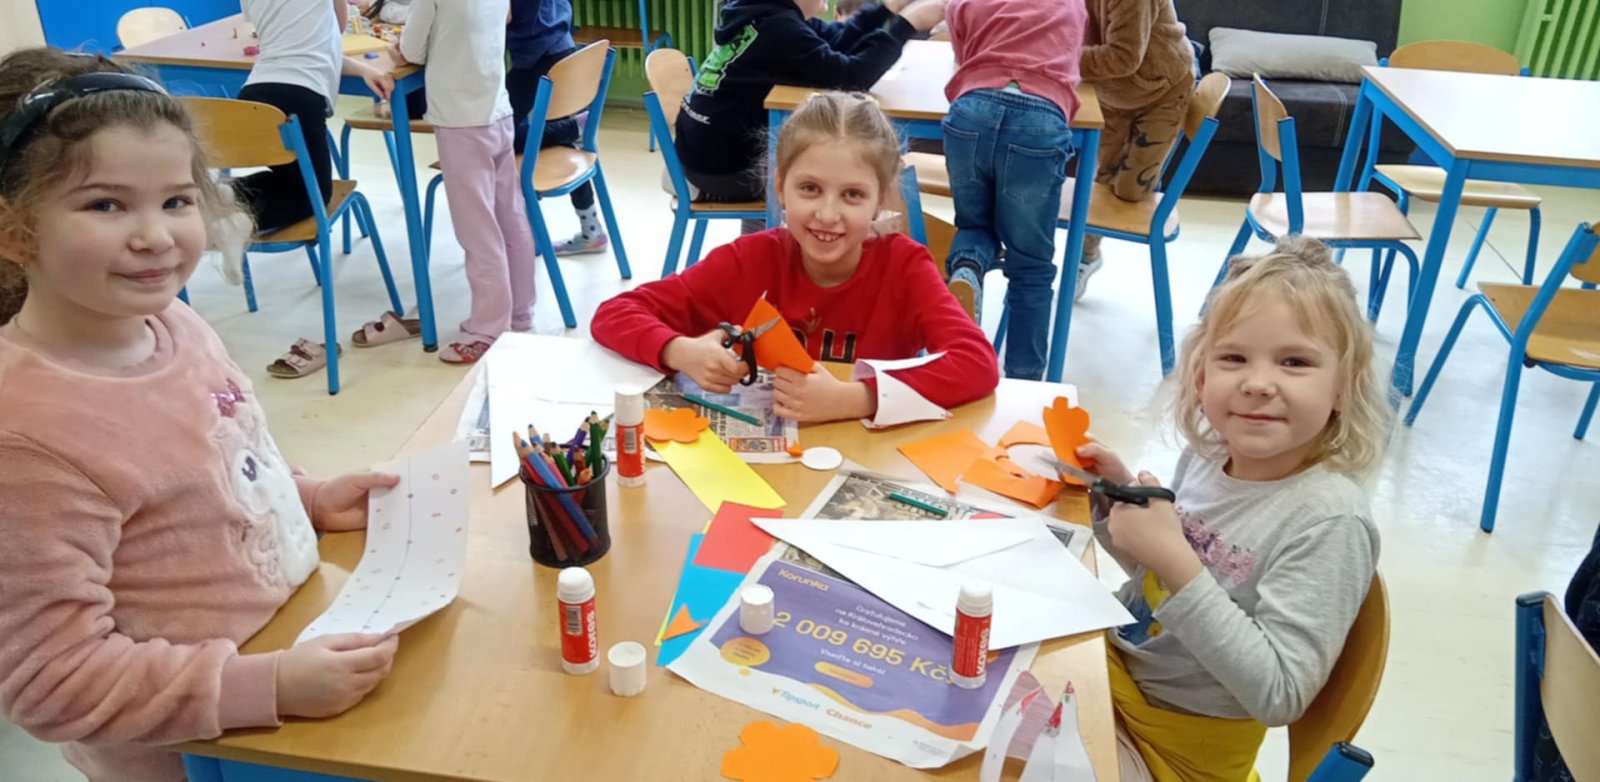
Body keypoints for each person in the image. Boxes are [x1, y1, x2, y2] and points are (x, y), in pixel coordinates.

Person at [0, 49, 400, 782]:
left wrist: (309, 499)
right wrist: (269, 686)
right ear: (14, 232)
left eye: (177, 201)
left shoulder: (172, 325)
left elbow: (217, 466)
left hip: (291, 673)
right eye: (106, 204)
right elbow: (50, 681)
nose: (155, 236)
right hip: (203, 752)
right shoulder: (25, 437)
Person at [1078, 236, 1388, 780]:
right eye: (1234, 358)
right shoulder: (1209, 457)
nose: (1258, 383)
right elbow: (1168, 589)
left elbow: (1280, 693)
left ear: (1344, 386)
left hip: (1179, 755)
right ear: (1201, 377)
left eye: (1295, 362)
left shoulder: (1330, 522)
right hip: (1117, 681)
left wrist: (1173, 556)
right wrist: (1118, 503)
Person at [592, 92, 997, 424]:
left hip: (866, 455)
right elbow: (615, 313)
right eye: (810, 189)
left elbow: (977, 364)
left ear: (879, 201)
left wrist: (855, 398)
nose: (827, 214)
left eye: (853, 195)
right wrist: (681, 350)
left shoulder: (904, 267)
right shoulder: (748, 260)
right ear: (780, 187)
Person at [675, 0, 947, 231]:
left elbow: (837, 40)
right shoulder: (779, 29)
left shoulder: (765, 13)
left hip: (701, 155)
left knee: (828, 157)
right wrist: (906, 24)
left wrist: (885, 9)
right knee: (833, 164)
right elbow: (851, 77)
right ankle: (779, 257)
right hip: (723, 171)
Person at [234, 0, 396, 379]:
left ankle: (223, 198)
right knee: (314, 195)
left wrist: (363, 69)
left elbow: (306, 43)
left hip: (255, 93)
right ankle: (231, 211)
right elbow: (333, 32)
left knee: (291, 183)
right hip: (299, 97)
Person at [939, 0, 1086, 381]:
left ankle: (968, 268)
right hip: (1039, 121)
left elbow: (962, 55)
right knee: (1031, 265)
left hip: (971, 112)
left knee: (974, 224)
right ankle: (1025, 382)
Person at [395, 0, 541, 363]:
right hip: (497, 109)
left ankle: (487, 329)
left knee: (477, 231)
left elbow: (412, 51)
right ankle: (519, 312)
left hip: (460, 120)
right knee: (510, 217)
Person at [1072, 0, 1195, 300]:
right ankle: (1086, 256)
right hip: (1114, 92)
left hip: (1162, 89)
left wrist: (1059, 56)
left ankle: (1086, 253)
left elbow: (1124, 57)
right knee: (1102, 181)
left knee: (1129, 190)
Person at [506, 0, 610, 256]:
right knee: (556, 140)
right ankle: (592, 230)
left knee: (497, 135)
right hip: (561, 45)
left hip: (535, 56)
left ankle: (572, 128)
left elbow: (502, 15)